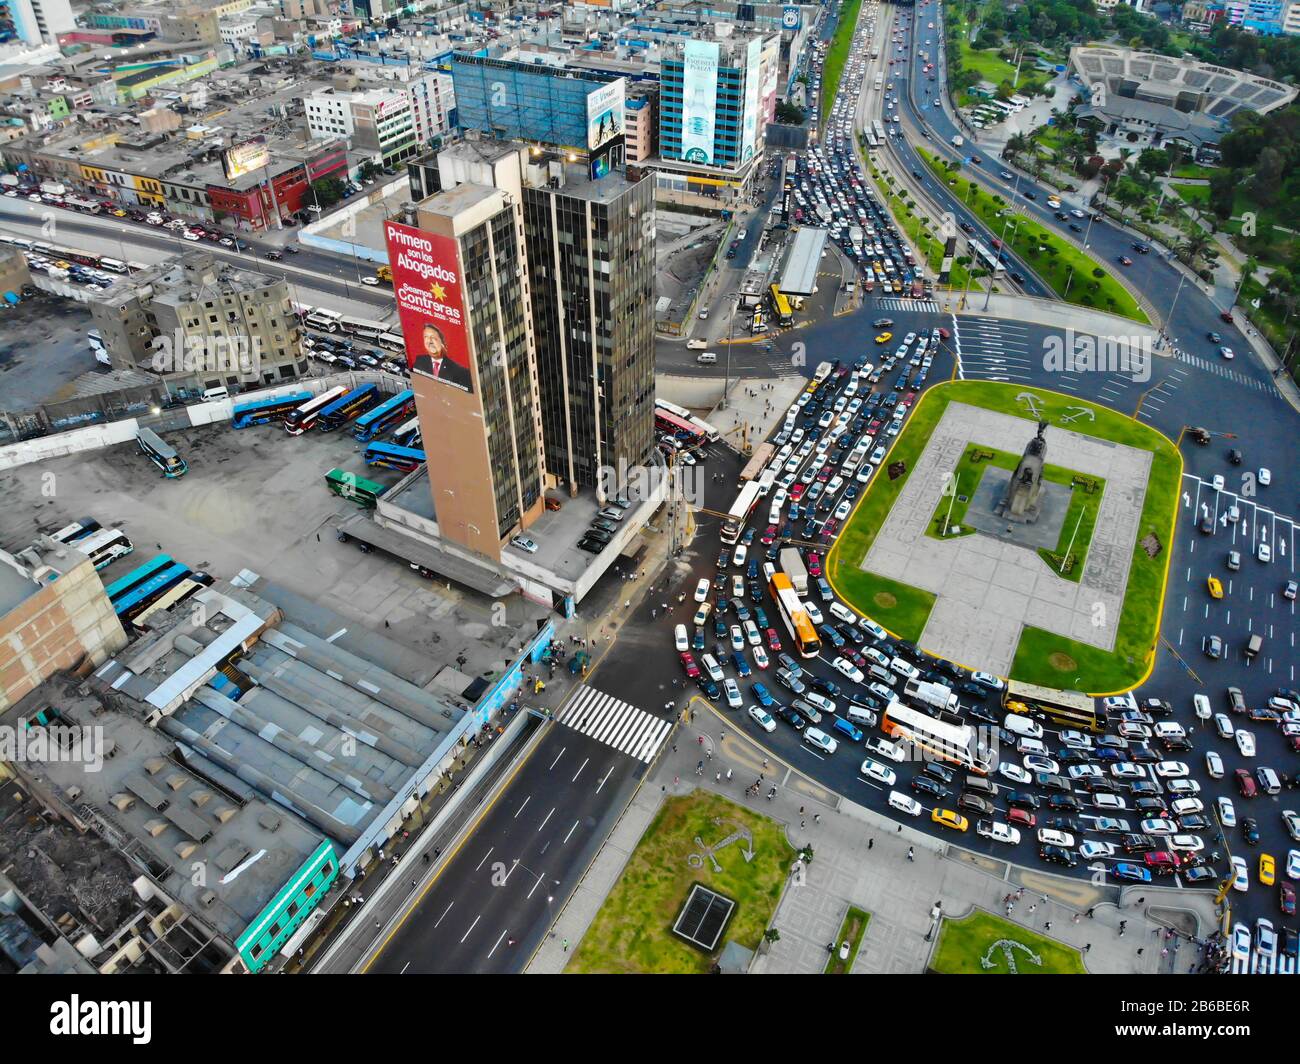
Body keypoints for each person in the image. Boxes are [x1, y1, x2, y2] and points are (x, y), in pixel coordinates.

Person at [412, 321, 471, 388]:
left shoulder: (459, 371)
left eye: (433, 338)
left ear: (442, 342)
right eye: (426, 337)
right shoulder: (420, 361)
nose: (429, 341)